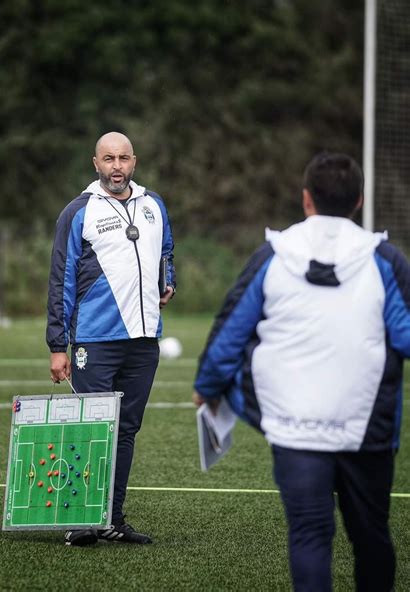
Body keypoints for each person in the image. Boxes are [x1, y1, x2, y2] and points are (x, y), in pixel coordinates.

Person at [193, 152, 410, 591]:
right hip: (367, 429)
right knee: (371, 538)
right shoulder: (384, 259)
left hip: (294, 426)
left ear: (306, 199)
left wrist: (207, 386)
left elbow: (231, 329)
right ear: (359, 202)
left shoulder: (274, 254)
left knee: (310, 536)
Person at [47, 131, 176, 546]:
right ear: (95, 163)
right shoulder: (78, 211)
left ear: (133, 162)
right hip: (95, 340)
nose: (116, 166)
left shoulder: (154, 205)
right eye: (108, 159)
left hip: (144, 340)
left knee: (125, 431)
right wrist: (57, 345)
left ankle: (112, 520)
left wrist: (168, 280)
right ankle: (82, 520)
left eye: (123, 158)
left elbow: (167, 250)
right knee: (91, 428)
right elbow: (61, 280)